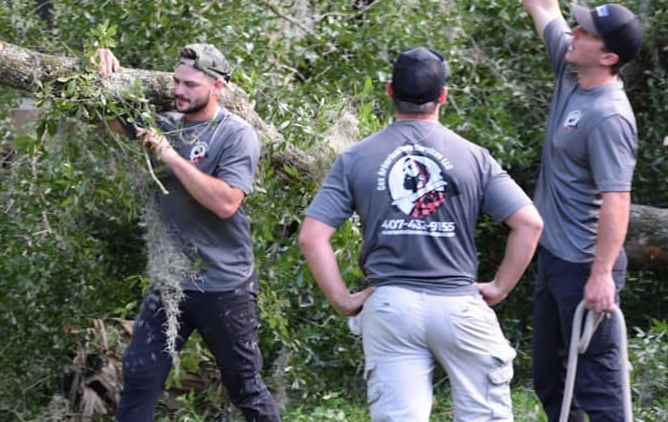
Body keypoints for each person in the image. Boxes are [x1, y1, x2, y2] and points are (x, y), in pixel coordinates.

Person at [299, 47, 544, 422]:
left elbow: (312, 236)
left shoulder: (356, 157)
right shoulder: (474, 157)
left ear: (388, 91)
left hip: (390, 306)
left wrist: (344, 301)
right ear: (443, 96)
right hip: (459, 305)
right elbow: (529, 223)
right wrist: (499, 288)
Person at [489, 0, 644, 422]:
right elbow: (543, 5)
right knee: (551, 379)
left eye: (586, 33)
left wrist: (601, 275)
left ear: (609, 57)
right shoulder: (570, 69)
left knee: (598, 390)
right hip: (554, 257)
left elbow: (617, 201)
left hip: (586, 265)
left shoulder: (609, 116)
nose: (573, 33)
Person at [95, 44, 280, 422]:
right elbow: (110, 120)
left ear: (218, 87)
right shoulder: (164, 122)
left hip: (224, 286)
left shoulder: (236, 135)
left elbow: (227, 202)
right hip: (171, 284)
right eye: (176, 81)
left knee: (245, 387)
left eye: (190, 84)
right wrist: (102, 70)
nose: (178, 90)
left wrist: (171, 157)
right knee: (139, 377)